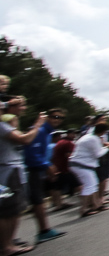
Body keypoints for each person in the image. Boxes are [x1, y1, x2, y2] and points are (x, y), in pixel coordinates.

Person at [0, 98, 47, 255]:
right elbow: (26, 139)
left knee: (15, 209)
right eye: (19, 106)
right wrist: (38, 124)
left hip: (13, 170)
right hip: (8, 171)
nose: (23, 109)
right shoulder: (1, 126)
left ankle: (8, 243)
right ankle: (6, 246)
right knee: (9, 210)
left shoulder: (5, 126)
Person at [23, 107, 67, 244]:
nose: (57, 120)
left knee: (39, 200)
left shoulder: (48, 132)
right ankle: (43, 231)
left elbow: (41, 154)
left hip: (37, 168)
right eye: (54, 116)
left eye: (60, 118)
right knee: (37, 201)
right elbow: (31, 153)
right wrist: (46, 166)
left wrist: (48, 166)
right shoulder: (41, 130)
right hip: (32, 169)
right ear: (48, 116)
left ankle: (44, 230)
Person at [69, 123, 109, 218]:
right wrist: (108, 148)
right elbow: (98, 154)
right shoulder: (93, 139)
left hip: (80, 164)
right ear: (103, 131)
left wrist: (108, 146)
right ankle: (83, 209)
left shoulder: (89, 137)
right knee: (89, 186)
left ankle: (96, 205)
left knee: (93, 185)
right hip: (81, 165)